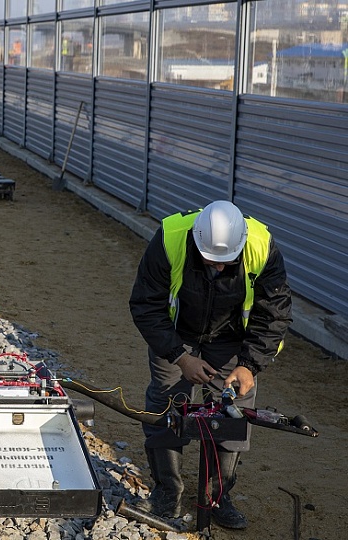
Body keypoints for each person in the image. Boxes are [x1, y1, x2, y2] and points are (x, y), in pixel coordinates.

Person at [128, 200, 291, 530]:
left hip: (231, 338)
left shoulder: (261, 245)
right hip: (177, 333)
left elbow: (274, 313)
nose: (217, 267)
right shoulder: (170, 238)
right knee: (165, 404)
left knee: (233, 413)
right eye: (210, 260)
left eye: (225, 262)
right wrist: (180, 356)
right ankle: (167, 493)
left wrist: (248, 365)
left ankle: (218, 496)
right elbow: (146, 305)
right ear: (196, 239)